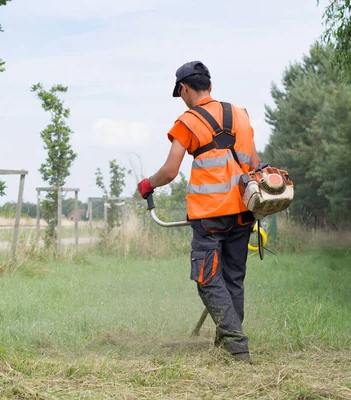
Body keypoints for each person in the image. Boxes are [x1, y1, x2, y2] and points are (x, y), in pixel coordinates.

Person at [137, 61, 261, 362]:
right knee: (233, 279)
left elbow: (169, 172)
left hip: (210, 216)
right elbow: (255, 165)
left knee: (207, 280)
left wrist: (146, 184)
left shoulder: (188, 121)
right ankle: (226, 343)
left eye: (179, 93)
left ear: (183, 88)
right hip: (244, 212)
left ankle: (235, 342)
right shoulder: (241, 116)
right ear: (210, 85)